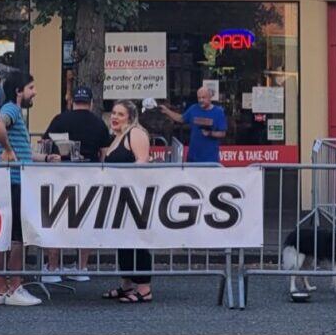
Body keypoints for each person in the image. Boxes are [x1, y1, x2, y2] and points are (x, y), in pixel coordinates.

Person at [41, 86, 112, 282]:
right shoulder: (99, 124)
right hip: (89, 177)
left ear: (72, 102)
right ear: (90, 103)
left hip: (60, 176)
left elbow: (44, 143)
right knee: (85, 220)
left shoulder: (60, 119)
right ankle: (81, 267)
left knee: (55, 220)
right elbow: (104, 154)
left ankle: (52, 267)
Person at [0, 72, 44, 306]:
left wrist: (45, 157)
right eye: (31, 87)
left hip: (3, 180)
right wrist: (8, 149)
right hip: (14, 180)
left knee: (1, 236)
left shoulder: (12, 110)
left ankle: (1, 288)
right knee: (17, 237)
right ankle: (15, 288)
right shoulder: (12, 109)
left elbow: (22, 151)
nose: (35, 92)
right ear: (18, 91)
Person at [100, 100, 153, 303]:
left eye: (120, 114)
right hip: (119, 196)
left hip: (134, 196)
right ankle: (127, 285)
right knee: (123, 240)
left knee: (137, 241)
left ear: (130, 117)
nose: (114, 117)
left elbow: (142, 162)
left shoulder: (136, 133)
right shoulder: (117, 136)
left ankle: (144, 288)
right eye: (113, 113)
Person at [159, 86, 226, 163]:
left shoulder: (218, 112)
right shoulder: (193, 108)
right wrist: (167, 111)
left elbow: (222, 133)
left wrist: (210, 133)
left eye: (203, 98)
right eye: (199, 98)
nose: (201, 100)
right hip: (192, 158)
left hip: (210, 159)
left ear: (210, 97)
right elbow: (181, 118)